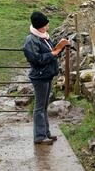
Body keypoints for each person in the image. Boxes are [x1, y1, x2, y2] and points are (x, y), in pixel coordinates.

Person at [23, 11, 70, 145]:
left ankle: (45, 133)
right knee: (39, 107)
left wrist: (60, 45)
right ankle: (39, 136)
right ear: (40, 26)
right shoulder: (31, 40)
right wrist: (54, 53)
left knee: (43, 106)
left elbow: (49, 50)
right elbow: (36, 59)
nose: (48, 25)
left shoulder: (43, 37)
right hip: (40, 76)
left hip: (46, 74)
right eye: (45, 23)